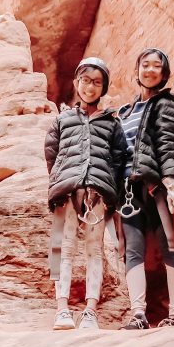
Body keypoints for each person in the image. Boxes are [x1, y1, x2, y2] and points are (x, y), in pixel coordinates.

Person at [45, 57, 127, 330]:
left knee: (94, 251)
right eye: (86, 81)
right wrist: (58, 183)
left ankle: (90, 311)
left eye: (97, 82)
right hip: (67, 192)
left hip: (98, 194)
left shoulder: (111, 124)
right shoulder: (62, 119)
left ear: (103, 88)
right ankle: (62, 310)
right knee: (63, 249)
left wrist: (111, 194)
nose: (90, 87)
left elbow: (118, 160)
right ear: (76, 83)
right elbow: (51, 154)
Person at [117, 48, 174, 330]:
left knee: (169, 247)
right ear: (137, 70)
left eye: (156, 66)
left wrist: (170, 181)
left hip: (154, 186)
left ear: (164, 72)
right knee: (133, 250)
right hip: (128, 191)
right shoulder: (125, 111)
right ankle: (138, 316)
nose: (149, 70)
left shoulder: (166, 104)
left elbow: (166, 144)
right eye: (144, 65)